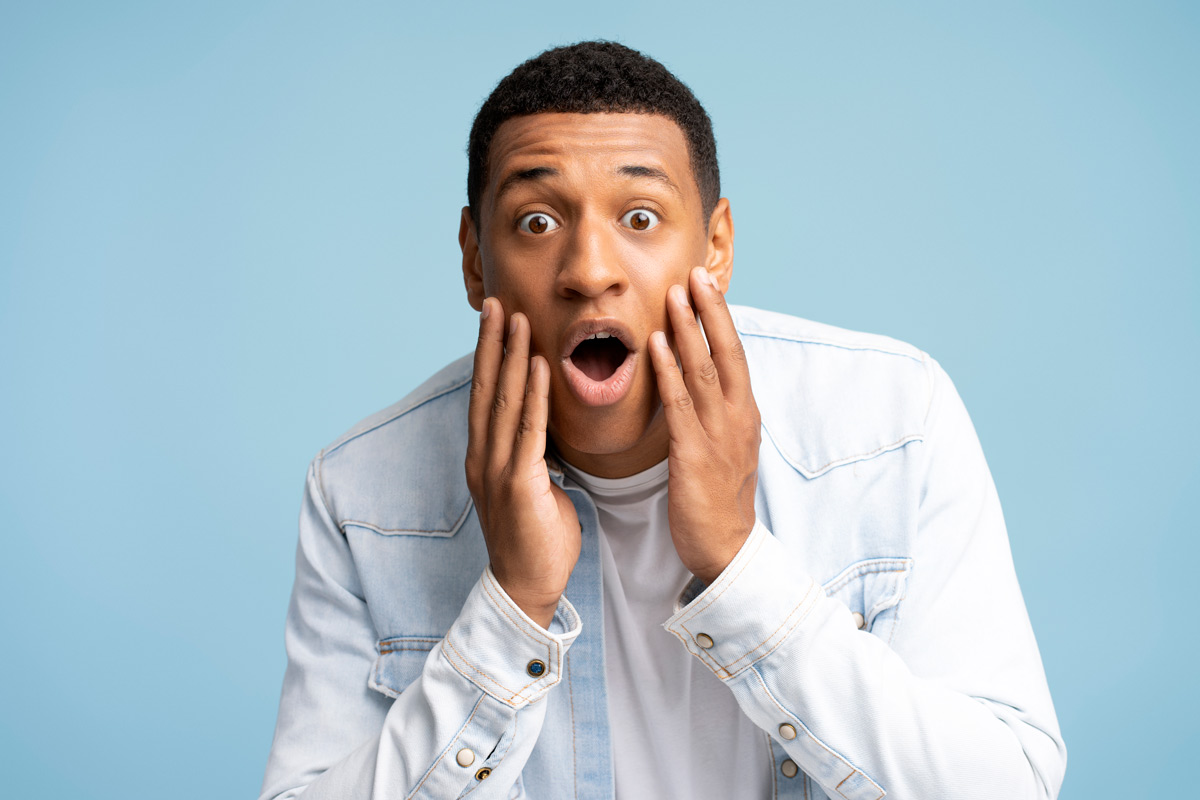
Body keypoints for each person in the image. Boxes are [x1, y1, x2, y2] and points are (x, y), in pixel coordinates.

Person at [259, 41, 1066, 800]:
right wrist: (510, 607)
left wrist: (740, 568)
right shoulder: (362, 494)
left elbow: (1010, 782)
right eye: (537, 222)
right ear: (475, 260)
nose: (590, 271)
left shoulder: (891, 424)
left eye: (639, 218)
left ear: (715, 247)